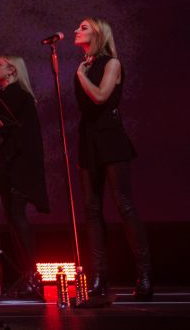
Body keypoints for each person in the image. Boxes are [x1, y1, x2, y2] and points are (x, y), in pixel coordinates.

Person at [73, 17, 151, 301]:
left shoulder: (111, 63)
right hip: (89, 141)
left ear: (98, 33)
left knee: (124, 204)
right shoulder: (86, 65)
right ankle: (99, 276)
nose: (76, 30)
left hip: (111, 139)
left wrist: (81, 76)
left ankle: (144, 275)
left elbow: (101, 97)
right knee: (92, 211)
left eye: (82, 27)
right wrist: (81, 73)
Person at [0, 56, 50, 297]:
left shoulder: (18, 95)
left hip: (20, 163)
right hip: (9, 163)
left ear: (12, 71)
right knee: (12, 217)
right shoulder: (5, 97)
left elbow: (4, 132)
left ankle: (32, 275)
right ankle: (25, 275)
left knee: (17, 215)